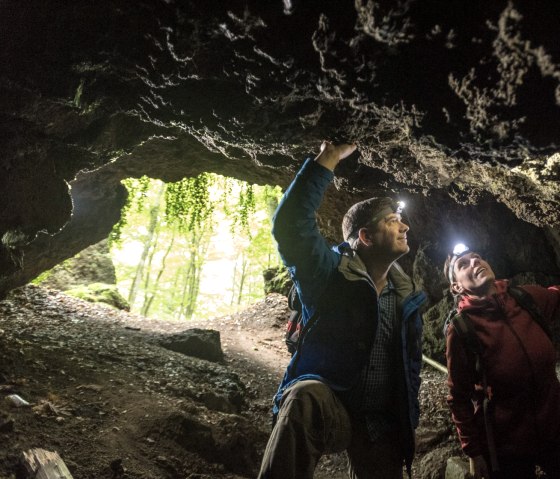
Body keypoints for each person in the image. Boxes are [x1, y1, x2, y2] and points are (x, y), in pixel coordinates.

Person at [257, 141, 426, 479]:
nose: (405, 227)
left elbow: (409, 368)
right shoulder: (328, 274)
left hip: (378, 423)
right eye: (393, 221)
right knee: (305, 397)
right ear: (365, 236)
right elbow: (291, 227)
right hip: (331, 406)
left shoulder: (407, 298)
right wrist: (329, 158)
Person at [444, 244, 560, 479]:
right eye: (463, 264)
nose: (475, 262)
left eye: (477, 257)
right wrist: (473, 452)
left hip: (555, 427)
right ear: (457, 286)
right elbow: (459, 397)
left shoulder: (524, 299)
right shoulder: (462, 329)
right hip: (507, 445)